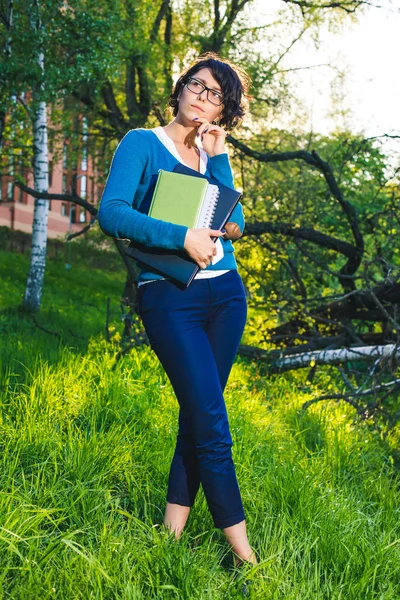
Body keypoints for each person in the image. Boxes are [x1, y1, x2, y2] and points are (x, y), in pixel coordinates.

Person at [98, 51, 258, 568]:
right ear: (182, 85)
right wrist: (180, 236)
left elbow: (233, 227)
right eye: (198, 85)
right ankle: (244, 554)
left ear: (223, 111)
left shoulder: (213, 152)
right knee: (212, 420)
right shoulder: (143, 143)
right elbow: (113, 213)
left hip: (226, 295)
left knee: (198, 413)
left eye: (217, 95)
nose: (203, 97)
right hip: (171, 297)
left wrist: (218, 159)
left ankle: (169, 537)